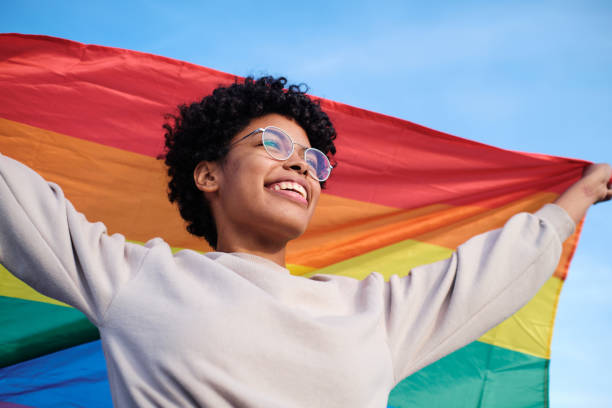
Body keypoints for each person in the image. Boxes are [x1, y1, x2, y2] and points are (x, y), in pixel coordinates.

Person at [0, 76, 610, 408]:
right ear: (208, 174)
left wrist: (575, 201)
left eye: (313, 160)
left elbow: (488, 276)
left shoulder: (372, 314)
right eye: (271, 144)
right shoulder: (134, 279)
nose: (300, 166)